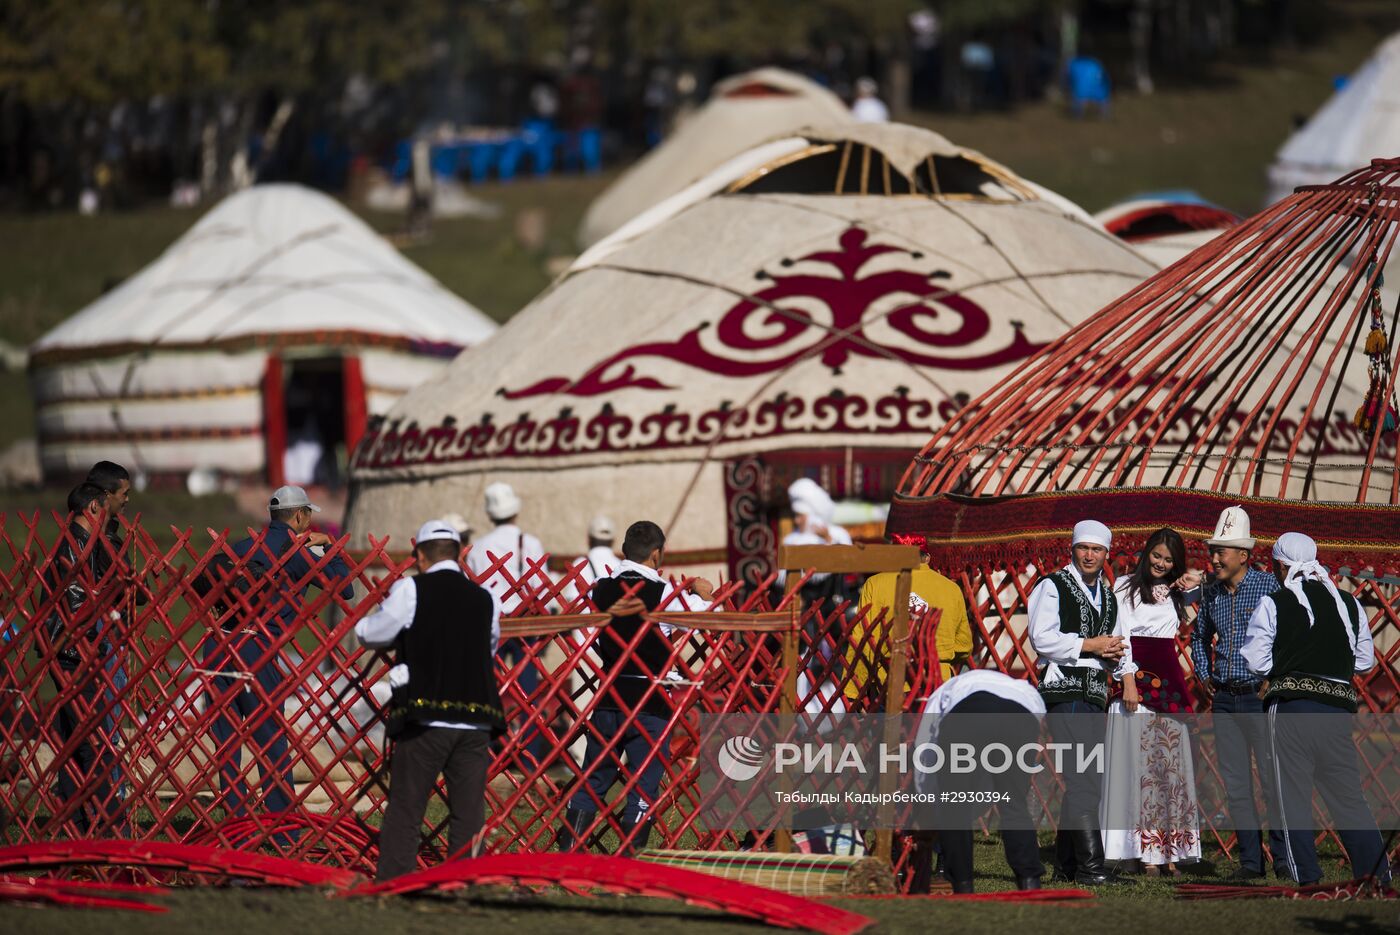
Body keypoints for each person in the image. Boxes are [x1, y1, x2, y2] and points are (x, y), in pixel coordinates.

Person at [356, 519, 505, 881]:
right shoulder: (486, 598)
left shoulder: (412, 589)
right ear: (458, 554)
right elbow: (489, 647)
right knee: (469, 811)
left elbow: (373, 633)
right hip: (476, 720)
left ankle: (396, 880)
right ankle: (461, 882)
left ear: (421, 556)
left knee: (408, 803)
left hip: (427, 715)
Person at [558, 520, 715, 855]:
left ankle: (568, 849)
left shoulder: (601, 589)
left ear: (625, 551)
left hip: (610, 697)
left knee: (595, 776)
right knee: (644, 782)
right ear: (657, 554)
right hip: (650, 701)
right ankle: (629, 858)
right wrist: (703, 593)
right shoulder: (662, 595)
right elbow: (710, 616)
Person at [1242, 533, 1389, 887]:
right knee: (1349, 797)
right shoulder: (1349, 603)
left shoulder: (1274, 602)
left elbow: (1256, 662)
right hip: (1335, 714)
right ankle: (1376, 877)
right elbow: (1365, 660)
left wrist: (1292, 659)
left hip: (1291, 711)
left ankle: (1307, 879)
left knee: (1291, 795)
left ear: (1279, 566)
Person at [206, 485, 355, 818]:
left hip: (217, 645)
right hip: (256, 649)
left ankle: (235, 821)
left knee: (227, 741)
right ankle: (281, 825)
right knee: (271, 739)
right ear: (300, 515)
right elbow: (346, 588)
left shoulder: (241, 547)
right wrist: (329, 546)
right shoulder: (296, 552)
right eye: (308, 516)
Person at [1189, 506, 1289, 880]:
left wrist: (1276, 677)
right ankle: (1251, 863)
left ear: (1244, 556)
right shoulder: (1212, 594)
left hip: (1260, 698)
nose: (1214, 557)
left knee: (1271, 778)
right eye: (1213, 550)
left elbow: (1288, 635)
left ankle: (1283, 858)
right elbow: (1199, 638)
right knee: (1236, 784)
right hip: (1225, 700)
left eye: (1222, 551)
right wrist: (1203, 673)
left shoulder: (1270, 587)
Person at [1026, 519, 1128, 885]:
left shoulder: (1109, 595)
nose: (1089, 555)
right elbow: (1042, 638)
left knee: (1087, 778)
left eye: (1097, 549)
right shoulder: (1052, 586)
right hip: (1064, 692)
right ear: (1072, 549)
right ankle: (1091, 868)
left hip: (1095, 694)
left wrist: (1116, 661)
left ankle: (1068, 866)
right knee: (1083, 779)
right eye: (1083, 548)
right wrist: (1091, 645)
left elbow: (1117, 642)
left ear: (1106, 554)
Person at [1101, 528, 1203, 876]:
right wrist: (1127, 681)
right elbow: (1120, 634)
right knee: (1138, 769)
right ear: (1147, 554)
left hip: (1169, 685)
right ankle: (1143, 854)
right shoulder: (1125, 586)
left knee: (1168, 771)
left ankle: (1169, 852)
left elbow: (1192, 623)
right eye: (1157, 555)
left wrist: (1191, 585)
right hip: (1136, 680)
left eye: (1169, 559)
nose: (1161, 563)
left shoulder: (1176, 594)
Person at [915, 669, 1046, 893]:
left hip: (966, 718)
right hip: (1020, 718)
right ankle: (1029, 880)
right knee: (1013, 803)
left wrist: (926, 798)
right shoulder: (1020, 686)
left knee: (955, 804)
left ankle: (963, 884)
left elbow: (925, 747)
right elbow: (1037, 716)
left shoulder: (946, 690)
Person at [42, 482, 123, 833]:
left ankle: (72, 823)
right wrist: (107, 610)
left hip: (71, 653)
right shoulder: (75, 547)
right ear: (93, 507)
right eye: (105, 508)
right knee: (93, 743)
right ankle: (109, 826)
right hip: (75, 653)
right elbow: (77, 608)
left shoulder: (82, 543)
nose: (109, 515)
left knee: (72, 743)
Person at [466, 482, 550, 769]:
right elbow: (542, 587)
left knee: (491, 691)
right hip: (525, 625)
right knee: (530, 694)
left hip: (493, 627)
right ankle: (530, 759)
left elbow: (473, 590)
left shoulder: (478, 547)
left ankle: (489, 756)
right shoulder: (531, 543)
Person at [844, 532, 973, 707]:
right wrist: (940, 654)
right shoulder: (951, 589)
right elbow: (964, 645)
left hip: (891, 682)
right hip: (938, 683)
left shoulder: (876, 584)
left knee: (892, 734)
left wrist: (853, 690)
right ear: (926, 558)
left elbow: (863, 640)